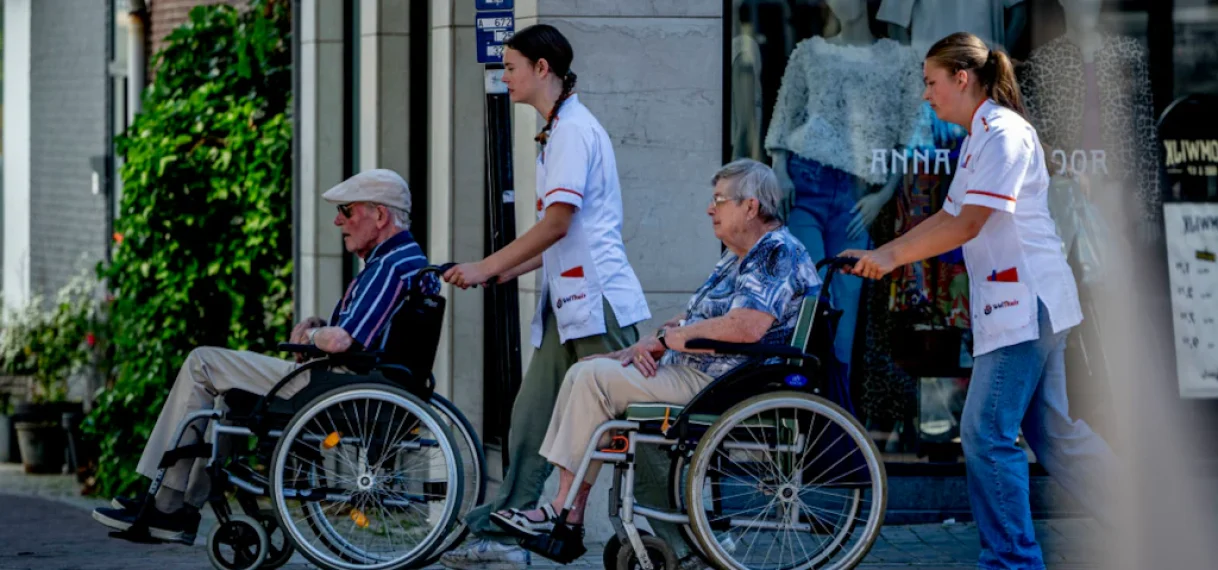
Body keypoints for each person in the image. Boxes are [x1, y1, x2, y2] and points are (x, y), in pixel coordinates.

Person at [841, 32, 1117, 569]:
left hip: (1026, 304)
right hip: (1024, 302)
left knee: (985, 432)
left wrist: (891, 257)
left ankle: (1012, 562)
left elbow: (968, 223)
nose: (926, 94)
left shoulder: (1004, 134)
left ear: (962, 78)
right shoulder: (979, 138)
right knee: (1054, 435)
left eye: (932, 82)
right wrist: (884, 253)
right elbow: (948, 217)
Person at [488, 159, 820, 569]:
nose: (710, 209)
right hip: (705, 374)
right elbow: (700, 319)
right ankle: (567, 511)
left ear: (750, 207)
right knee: (588, 371)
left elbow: (746, 327)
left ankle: (565, 510)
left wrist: (669, 340)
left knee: (591, 379)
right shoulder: (741, 255)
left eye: (719, 200)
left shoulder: (775, 252)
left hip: (726, 383)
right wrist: (645, 345)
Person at [91, 169, 435, 545]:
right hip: (354, 381)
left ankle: (169, 503)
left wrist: (311, 335)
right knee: (228, 393)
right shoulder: (408, 260)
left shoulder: (389, 266)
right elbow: (362, 337)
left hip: (331, 385)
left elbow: (340, 342)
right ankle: (177, 505)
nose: (338, 221)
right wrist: (320, 328)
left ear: (380, 215)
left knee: (202, 362)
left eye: (346, 210)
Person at [438, 24, 653, 570]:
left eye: (511, 67)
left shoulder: (573, 131)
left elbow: (558, 224)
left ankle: (683, 536)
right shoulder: (558, 130)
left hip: (597, 302)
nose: (504, 76)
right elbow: (560, 235)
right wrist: (502, 272)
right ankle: (507, 536)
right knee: (532, 418)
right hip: (570, 303)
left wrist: (488, 265)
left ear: (542, 69)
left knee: (634, 422)